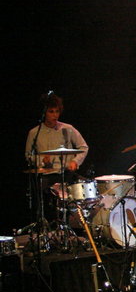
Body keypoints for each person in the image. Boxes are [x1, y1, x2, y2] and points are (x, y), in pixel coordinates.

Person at [24, 93, 89, 223]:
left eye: (57, 112)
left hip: (66, 174)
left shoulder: (68, 129)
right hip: (46, 176)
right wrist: (40, 161)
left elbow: (83, 147)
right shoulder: (34, 133)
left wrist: (75, 161)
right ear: (44, 113)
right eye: (51, 112)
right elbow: (28, 155)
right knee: (45, 205)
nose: (55, 115)